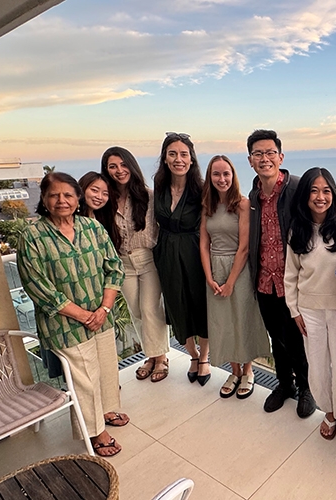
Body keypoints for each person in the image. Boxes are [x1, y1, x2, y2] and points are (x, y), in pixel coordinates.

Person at [17, 172, 128, 457]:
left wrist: (103, 309)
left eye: (68, 195)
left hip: (101, 318)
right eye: (54, 195)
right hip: (64, 324)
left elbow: (114, 268)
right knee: (84, 378)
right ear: (43, 199)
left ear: (78, 199)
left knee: (104, 369)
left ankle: (104, 411)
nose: (61, 201)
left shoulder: (92, 227)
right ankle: (94, 432)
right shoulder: (32, 237)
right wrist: (83, 315)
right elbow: (37, 286)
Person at [284, 167, 336, 440]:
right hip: (309, 310)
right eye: (314, 191)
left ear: (334, 194)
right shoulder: (298, 230)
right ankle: (329, 411)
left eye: (326, 190)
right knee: (317, 365)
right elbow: (290, 275)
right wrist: (294, 310)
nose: (320, 196)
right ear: (305, 195)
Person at [246, 129, 314, 417]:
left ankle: (307, 388)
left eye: (270, 153)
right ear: (250, 160)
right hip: (264, 280)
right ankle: (284, 384)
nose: (265, 158)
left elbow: (324, 217)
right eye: (258, 154)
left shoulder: (298, 188)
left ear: (280, 156)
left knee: (298, 340)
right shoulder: (253, 195)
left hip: (293, 283)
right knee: (277, 338)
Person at [199, 155, 270, 399]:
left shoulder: (242, 203)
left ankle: (248, 371)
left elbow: (244, 246)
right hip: (214, 268)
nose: (222, 179)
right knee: (223, 322)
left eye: (226, 173)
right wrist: (209, 277)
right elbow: (203, 243)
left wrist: (230, 281)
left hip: (238, 269)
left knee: (242, 318)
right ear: (210, 177)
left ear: (233, 175)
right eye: (216, 174)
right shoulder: (206, 205)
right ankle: (234, 370)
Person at [101, 146, 170, 382]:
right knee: (137, 311)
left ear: (131, 165)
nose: (119, 170)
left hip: (148, 259)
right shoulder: (106, 200)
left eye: (123, 164)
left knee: (151, 309)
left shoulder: (148, 196)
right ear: (107, 170)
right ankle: (151, 356)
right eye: (112, 166)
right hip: (122, 263)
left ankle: (160, 358)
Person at [153, 132, 210, 385]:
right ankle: (193, 355)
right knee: (176, 305)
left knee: (200, 305)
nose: (179, 159)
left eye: (184, 154)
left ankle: (205, 357)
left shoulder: (201, 187)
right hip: (166, 253)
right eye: (173, 154)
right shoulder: (159, 186)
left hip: (194, 251)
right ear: (165, 158)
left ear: (191, 159)